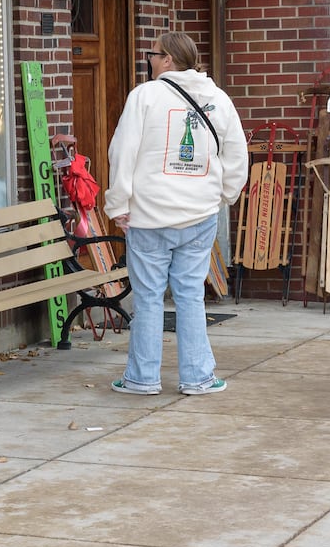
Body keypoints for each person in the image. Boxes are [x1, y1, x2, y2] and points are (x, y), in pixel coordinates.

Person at [104, 31, 248, 396]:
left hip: (149, 215)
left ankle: (142, 378)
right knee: (189, 295)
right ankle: (198, 377)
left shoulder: (144, 97)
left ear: (168, 60)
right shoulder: (218, 99)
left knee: (149, 296)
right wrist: (223, 196)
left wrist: (118, 203)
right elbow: (236, 156)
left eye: (153, 54)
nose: (149, 60)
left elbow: (123, 152)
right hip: (199, 214)